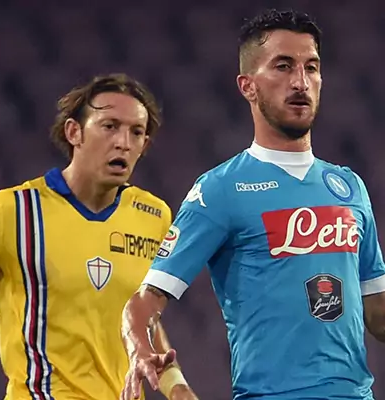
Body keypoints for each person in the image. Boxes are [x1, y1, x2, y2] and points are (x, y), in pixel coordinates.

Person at [120, 9, 385, 400]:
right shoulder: (220, 190)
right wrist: (140, 349)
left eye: (311, 68)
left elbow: (376, 310)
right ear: (248, 86)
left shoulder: (349, 186)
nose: (300, 81)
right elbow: (144, 302)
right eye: (283, 66)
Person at [0, 74, 197, 400]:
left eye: (136, 132)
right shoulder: (11, 211)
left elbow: (144, 319)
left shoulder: (153, 215)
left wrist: (176, 386)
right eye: (109, 126)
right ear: (74, 132)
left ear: (144, 146)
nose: (123, 142)